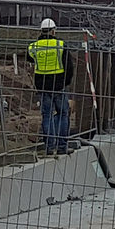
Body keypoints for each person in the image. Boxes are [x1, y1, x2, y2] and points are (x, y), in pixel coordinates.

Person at [28, 18, 74, 156]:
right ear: (54, 30)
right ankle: (61, 147)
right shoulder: (60, 45)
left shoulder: (34, 47)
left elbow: (30, 58)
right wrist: (66, 82)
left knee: (46, 116)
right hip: (59, 86)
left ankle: (49, 147)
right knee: (63, 114)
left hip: (43, 87)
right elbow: (69, 67)